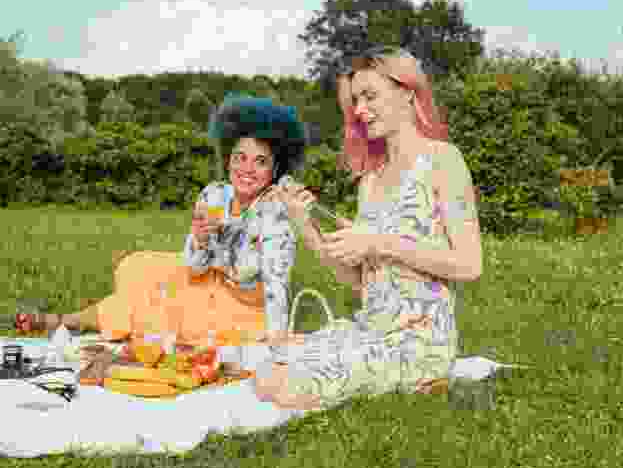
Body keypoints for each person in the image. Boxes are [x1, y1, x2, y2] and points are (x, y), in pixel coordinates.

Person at [254, 46, 483, 411]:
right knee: (267, 370)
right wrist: (305, 225)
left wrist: (378, 242)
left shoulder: (444, 160)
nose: (360, 110)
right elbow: (359, 281)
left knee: (286, 388)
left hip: (418, 341)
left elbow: (470, 265)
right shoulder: (370, 182)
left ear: (407, 91)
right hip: (371, 329)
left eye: (369, 96)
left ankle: (425, 376)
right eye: (356, 100)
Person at [15, 94, 304, 349]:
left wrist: (277, 338)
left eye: (260, 161)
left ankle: (66, 321)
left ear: (275, 168)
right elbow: (194, 264)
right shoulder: (215, 194)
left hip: (243, 306)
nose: (247, 169)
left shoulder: (274, 214)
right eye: (239, 157)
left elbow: (276, 285)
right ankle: (99, 307)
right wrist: (201, 240)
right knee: (138, 267)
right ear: (228, 159)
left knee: (154, 307)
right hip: (206, 276)